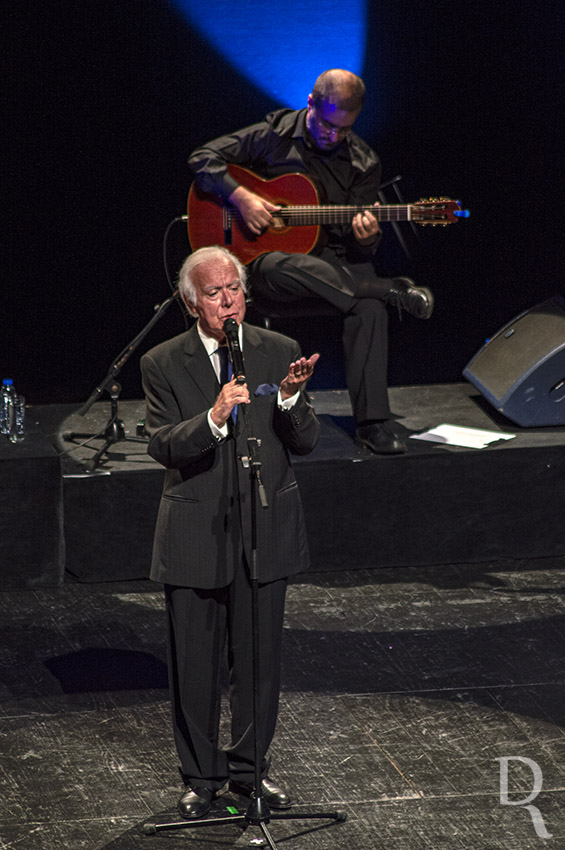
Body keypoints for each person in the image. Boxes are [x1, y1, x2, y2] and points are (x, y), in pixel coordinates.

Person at [140, 245, 320, 819]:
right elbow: (162, 444)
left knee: (259, 663)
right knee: (195, 668)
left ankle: (250, 775)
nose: (228, 301)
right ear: (193, 304)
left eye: (234, 290)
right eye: (214, 294)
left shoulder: (278, 351)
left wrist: (290, 398)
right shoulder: (163, 362)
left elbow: (304, 440)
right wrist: (215, 418)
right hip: (196, 533)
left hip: (264, 531)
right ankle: (201, 778)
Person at [188, 68, 434, 455]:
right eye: (327, 126)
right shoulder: (275, 134)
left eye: (344, 130)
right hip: (272, 270)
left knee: (369, 309)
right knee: (276, 265)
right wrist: (242, 198)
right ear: (310, 104)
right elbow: (202, 158)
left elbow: (359, 252)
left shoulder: (363, 163)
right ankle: (390, 289)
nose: (334, 136)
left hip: (333, 273)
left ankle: (372, 425)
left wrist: (365, 238)